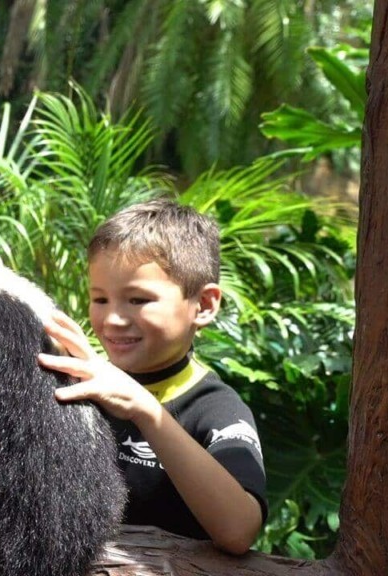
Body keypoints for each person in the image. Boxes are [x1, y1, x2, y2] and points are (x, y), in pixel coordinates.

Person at [36, 198, 267, 555]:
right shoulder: (87, 381)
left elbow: (239, 530)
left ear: (203, 305)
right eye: (100, 300)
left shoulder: (214, 408)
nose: (112, 320)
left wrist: (145, 410)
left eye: (138, 300)